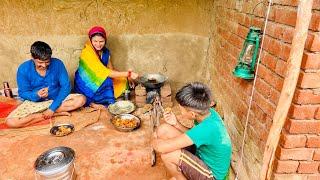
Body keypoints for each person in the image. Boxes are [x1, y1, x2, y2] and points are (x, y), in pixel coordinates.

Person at [152, 82, 232, 180]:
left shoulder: (207, 128)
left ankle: (179, 177)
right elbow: (194, 135)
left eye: (181, 109)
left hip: (212, 175)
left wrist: (154, 138)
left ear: (192, 114)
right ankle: (183, 171)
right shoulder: (206, 113)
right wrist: (176, 123)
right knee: (164, 130)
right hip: (201, 154)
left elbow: (161, 148)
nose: (180, 111)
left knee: (168, 155)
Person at [6, 41, 86, 128]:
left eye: (47, 62)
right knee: (11, 122)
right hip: (35, 103)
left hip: (57, 100)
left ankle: (48, 113)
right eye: (40, 62)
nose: (44, 65)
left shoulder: (58, 64)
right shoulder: (23, 69)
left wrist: (52, 108)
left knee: (81, 99)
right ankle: (54, 114)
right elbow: (23, 92)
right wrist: (36, 95)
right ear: (32, 57)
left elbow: (66, 87)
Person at [74, 26, 139, 109]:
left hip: (101, 76)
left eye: (101, 41)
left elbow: (110, 69)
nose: (98, 44)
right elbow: (106, 73)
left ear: (105, 40)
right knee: (107, 81)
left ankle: (105, 99)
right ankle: (92, 103)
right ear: (91, 40)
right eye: (95, 41)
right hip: (85, 82)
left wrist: (126, 77)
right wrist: (128, 73)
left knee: (123, 81)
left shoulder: (105, 52)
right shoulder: (87, 52)